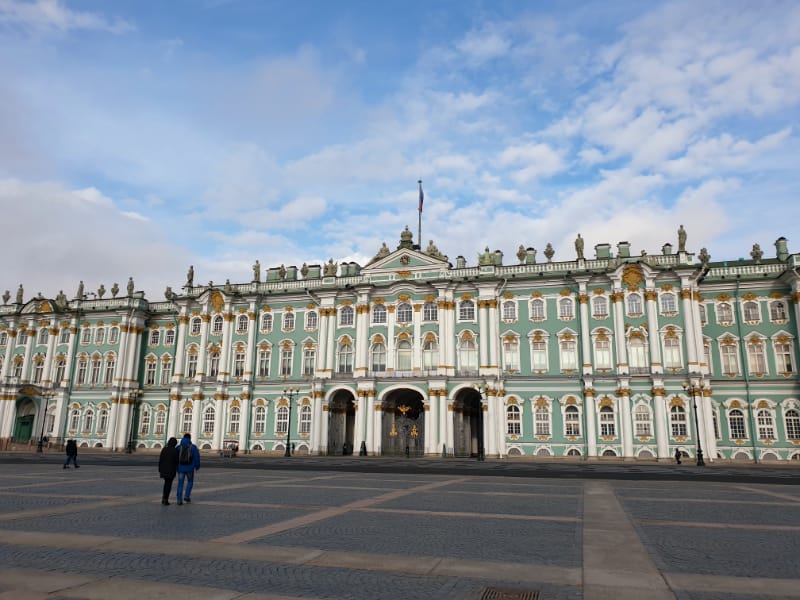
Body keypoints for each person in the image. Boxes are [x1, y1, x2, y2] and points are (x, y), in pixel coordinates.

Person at [176, 433, 200, 505]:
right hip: (190, 468)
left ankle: (179, 499)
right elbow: (197, 457)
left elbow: (175, 458)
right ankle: (186, 496)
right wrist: (197, 466)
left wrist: (176, 467)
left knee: (180, 483)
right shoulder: (193, 447)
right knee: (190, 482)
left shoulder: (178, 447)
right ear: (190, 438)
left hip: (180, 468)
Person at [158, 437, 179, 505]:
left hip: (164, 469)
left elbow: (161, 459)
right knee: (169, 485)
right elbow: (177, 461)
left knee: (166, 484)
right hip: (171, 470)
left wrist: (160, 469)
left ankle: (163, 498)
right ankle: (166, 499)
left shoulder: (164, 449)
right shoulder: (175, 450)